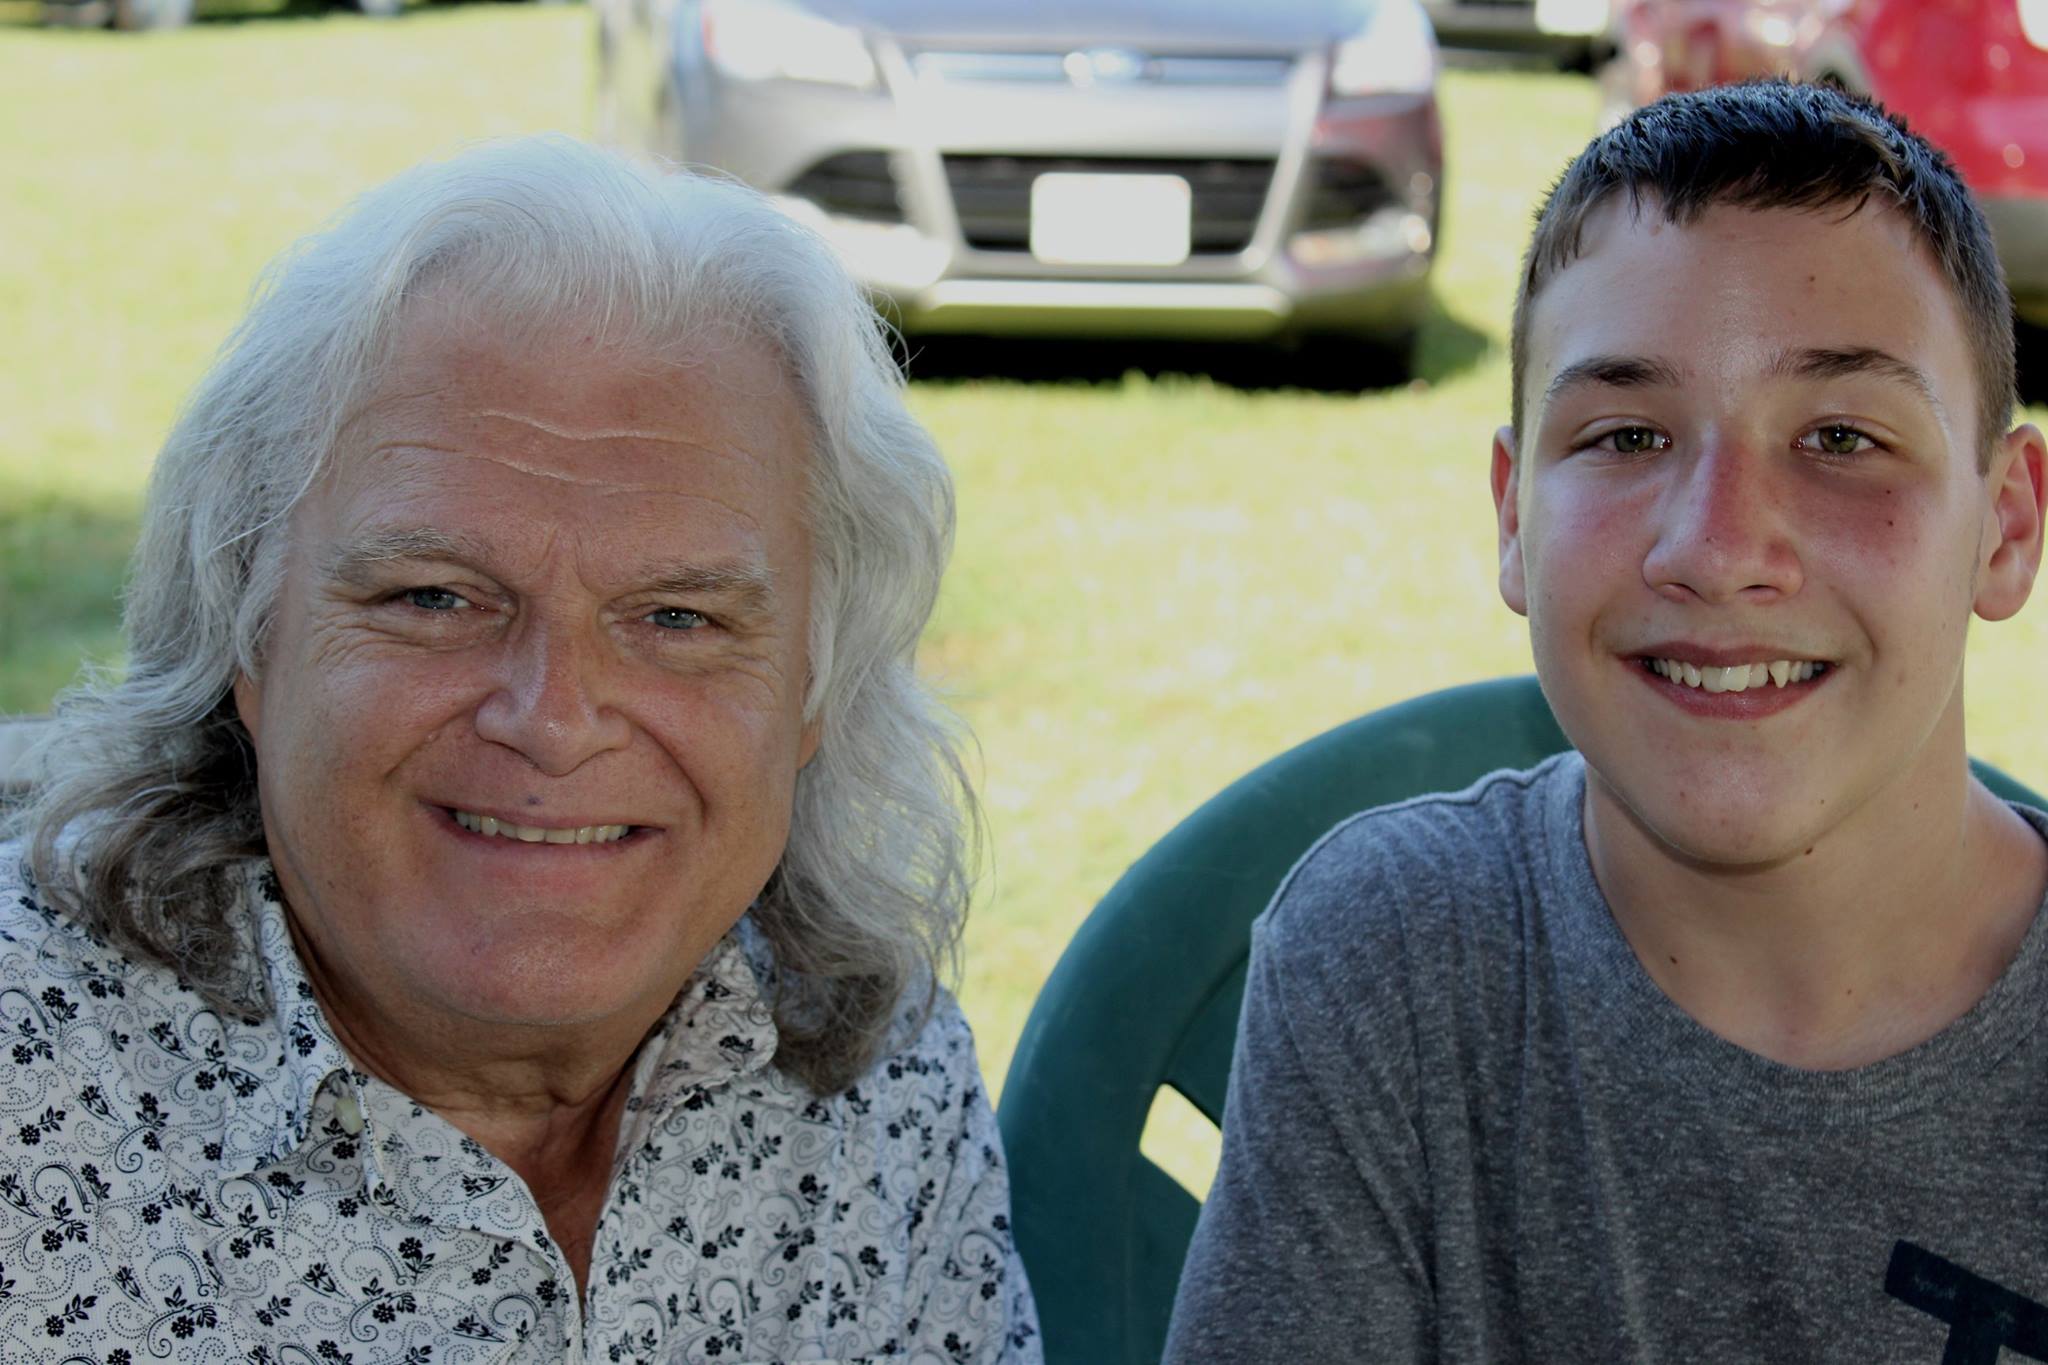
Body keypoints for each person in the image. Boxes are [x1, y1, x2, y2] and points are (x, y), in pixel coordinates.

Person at [0, 136, 1040, 1363]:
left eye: (677, 618)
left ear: (814, 689)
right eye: (435, 596)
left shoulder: (873, 1073)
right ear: (249, 632)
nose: (551, 718)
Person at [1166, 80, 2048, 1362]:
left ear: (2004, 527)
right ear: (1513, 516)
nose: (1718, 547)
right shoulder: (1401, 971)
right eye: (1628, 433)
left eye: (1841, 436)